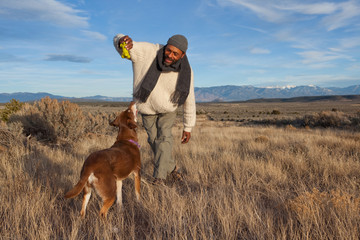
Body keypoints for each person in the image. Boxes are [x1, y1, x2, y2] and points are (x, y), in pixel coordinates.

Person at [113, 33, 196, 185]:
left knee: (164, 140)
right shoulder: (149, 52)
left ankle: (159, 178)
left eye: (175, 53)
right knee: (154, 141)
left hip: (168, 109)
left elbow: (189, 98)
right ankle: (173, 169)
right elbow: (125, 47)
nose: (170, 55)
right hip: (146, 108)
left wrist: (188, 126)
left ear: (182, 55)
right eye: (168, 50)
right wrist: (121, 41)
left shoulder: (186, 71)